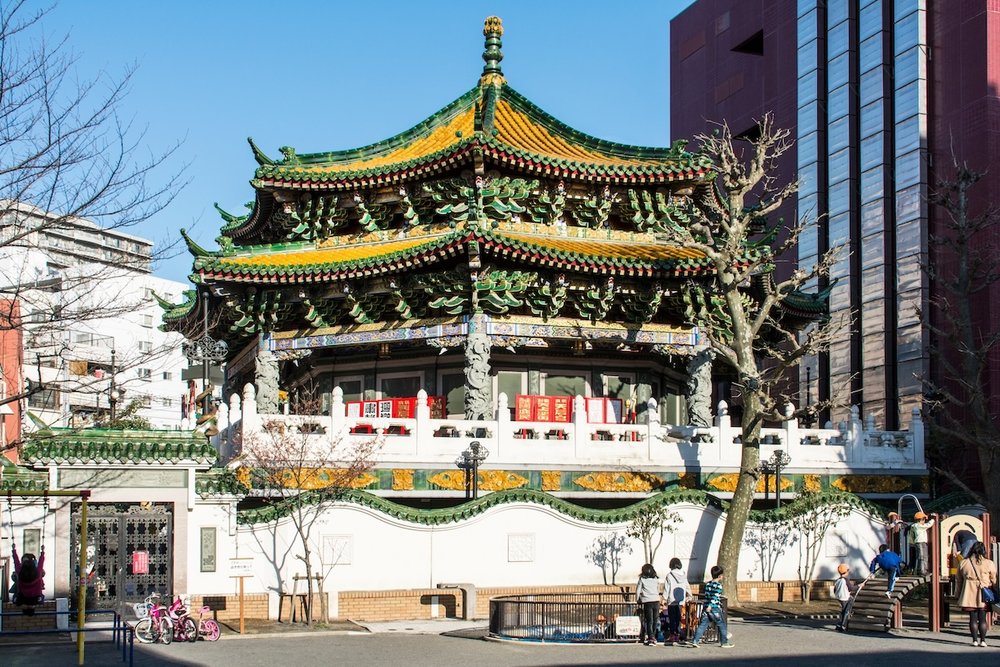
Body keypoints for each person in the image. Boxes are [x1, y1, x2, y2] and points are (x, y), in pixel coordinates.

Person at [683, 565, 734, 648]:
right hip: (714, 608)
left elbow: (707, 595)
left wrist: (707, 605)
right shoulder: (718, 586)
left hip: (706, 607)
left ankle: (695, 640)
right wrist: (710, 605)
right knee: (721, 624)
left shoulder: (708, 584)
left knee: (703, 624)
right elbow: (715, 597)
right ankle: (724, 642)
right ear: (720, 576)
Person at [957, 541, 997, 647]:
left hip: (968, 592)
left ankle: (974, 640)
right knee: (982, 618)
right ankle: (983, 641)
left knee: (973, 618)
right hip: (984, 592)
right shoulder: (989, 563)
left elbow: (959, 580)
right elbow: (994, 579)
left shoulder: (964, 563)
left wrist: (958, 594)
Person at [664, 557, 692, 644]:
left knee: (672, 619)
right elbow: (687, 586)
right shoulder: (683, 575)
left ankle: (673, 635)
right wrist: (689, 596)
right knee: (679, 618)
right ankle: (678, 634)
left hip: (672, 601)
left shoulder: (669, 575)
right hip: (681, 600)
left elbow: (667, 588)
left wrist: (664, 598)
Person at [11, 544, 45, 614]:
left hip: (33, 596)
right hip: (26, 596)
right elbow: (16, 562)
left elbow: (41, 563)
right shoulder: (20, 572)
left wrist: (42, 552)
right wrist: (14, 551)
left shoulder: (37, 573)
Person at [635, 563, 662, 646]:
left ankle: (651, 637)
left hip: (647, 601)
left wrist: (637, 599)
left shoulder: (642, 579)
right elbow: (658, 589)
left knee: (649, 620)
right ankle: (653, 636)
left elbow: (638, 590)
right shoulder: (656, 579)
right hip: (656, 600)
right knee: (655, 619)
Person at [833, 564, 856, 632]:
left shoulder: (838, 580)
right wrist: (858, 586)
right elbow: (851, 588)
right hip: (845, 597)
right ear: (846, 572)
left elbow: (835, 589)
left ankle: (839, 625)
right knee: (846, 611)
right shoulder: (846, 580)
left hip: (840, 597)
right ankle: (843, 625)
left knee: (843, 610)